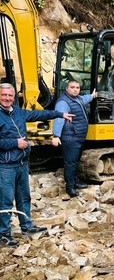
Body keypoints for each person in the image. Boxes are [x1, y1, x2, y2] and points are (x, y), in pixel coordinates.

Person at [0, 83, 74, 248]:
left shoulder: (18, 111)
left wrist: (59, 114)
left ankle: (27, 227)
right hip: (5, 165)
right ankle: (4, 234)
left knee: (24, 197)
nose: (7, 98)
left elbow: (38, 114)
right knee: (5, 201)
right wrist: (14, 142)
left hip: (21, 163)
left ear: (13, 97)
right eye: (4, 95)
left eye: (10, 95)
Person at [52, 80, 97, 198]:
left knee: (75, 161)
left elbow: (85, 99)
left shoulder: (77, 99)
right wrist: (56, 136)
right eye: (72, 87)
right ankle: (70, 187)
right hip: (70, 137)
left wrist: (92, 96)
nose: (75, 89)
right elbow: (59, 118)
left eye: (77, 87)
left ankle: (75, 181)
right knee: (70, 163)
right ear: (67, 89)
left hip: (78, 137)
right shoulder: (63, 102)